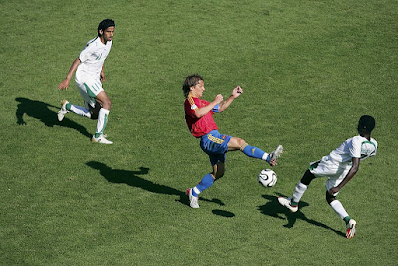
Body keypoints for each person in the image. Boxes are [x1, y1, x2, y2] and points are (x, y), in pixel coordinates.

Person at [183, 74, 283, 208]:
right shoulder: (190, 101)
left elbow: (220, 108)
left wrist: (232, 96)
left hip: (214, 137)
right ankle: (267, 157)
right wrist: (215, 101)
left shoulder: (202, 102)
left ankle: (194, 192)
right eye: (200, 86)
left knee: (218, 173)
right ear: (192, 87)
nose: (204, 89)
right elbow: (197, 114)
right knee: (240, 142)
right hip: (209, 139)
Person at [278, 115, 377, 239]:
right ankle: (348, 220)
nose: (357, 125)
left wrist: (339, 187)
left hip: (333, 164)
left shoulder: (356, 140)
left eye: (359, 123)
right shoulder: (374, 144)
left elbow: (356, 167)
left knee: (309, 174)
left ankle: (293, 203)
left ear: (363, 127)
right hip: (344, 170)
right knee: (330, 196)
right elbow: (361, 158)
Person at [57, 19, 115, 144]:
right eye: (108, 32)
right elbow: (78, 60)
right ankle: (97, 137)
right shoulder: (93, 46)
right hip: (85, 79)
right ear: (101, 31)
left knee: (94, 114)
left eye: (112, 31)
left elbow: (102, 57)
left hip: (94, 78)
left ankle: (67, 106)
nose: (111, 34)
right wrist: (67, 79)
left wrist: (102, 71)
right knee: (107, 103)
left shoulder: (109, 43)